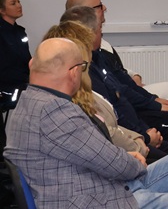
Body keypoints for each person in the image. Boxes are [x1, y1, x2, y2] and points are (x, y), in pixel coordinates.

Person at [4, 38, 168, 208]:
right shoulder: (56, 112)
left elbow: (94, 155)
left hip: (94, 184)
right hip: (95, 199)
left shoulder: (30, 102)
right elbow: (115, 165)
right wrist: (132, 159)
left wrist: (125, 159)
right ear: (74, 72)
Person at [65, 0, 168, 154]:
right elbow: (117, 102)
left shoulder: (98, 50)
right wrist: (146, 133)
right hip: (129, 126)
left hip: (132, 109)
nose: (104, 8)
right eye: (99, 6)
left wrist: (140, 83)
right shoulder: (86, 61)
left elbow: (119, 76)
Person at [60, 3, 168, 155]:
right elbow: (113, 120)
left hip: (135, 131)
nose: (101, 34)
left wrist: (151, 106)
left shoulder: (99, 56)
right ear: (89, 34)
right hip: (128, 142)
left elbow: (122, 89)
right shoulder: (85, 73)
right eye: (100, 29)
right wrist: (144, 136)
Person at [42, 20, 153, 160]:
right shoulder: (70, 102)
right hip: (121, 156)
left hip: (128, 145)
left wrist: (138, 138)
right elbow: (104, 140)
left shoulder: (81, 89)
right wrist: (140, 145)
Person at [0, 0, 30, 156]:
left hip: (23, 84)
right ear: (2, 10)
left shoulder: (20, 32)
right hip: (8, 88)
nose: (19, 5)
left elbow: (27, 60)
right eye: (13, 3)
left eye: (18, 1)